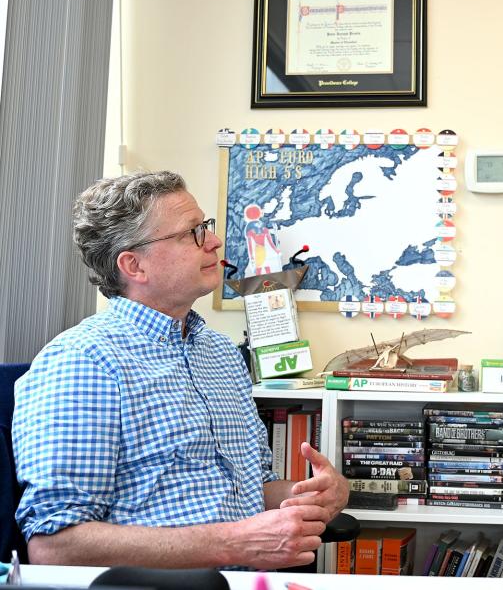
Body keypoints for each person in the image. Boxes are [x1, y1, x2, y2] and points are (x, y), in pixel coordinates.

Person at [13, 171, 349, 570]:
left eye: (205, 226)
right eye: (192, 232)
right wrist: (232, 544)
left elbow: (249, 491)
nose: (215, 241)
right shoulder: (83, 362)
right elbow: (55, 547)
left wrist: (314, 493)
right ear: (134, 265)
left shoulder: (220, 353)